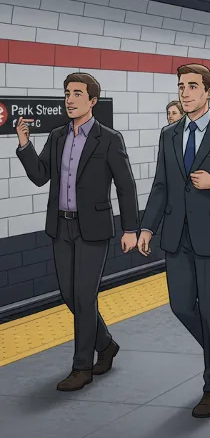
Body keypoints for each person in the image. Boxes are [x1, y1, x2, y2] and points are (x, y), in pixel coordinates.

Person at [137, 63, 210, 418]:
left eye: (192, 86)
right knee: (181, 306)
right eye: (181, 86)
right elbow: (161, 186)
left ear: (208, 91)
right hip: (176, 235)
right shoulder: (169, 134)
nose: (185, 92)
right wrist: (147, 228)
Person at [15, 72, 138, 392]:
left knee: (84, 296)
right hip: (61, 226)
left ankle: (81, 367)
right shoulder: (57, 136)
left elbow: (125, 186)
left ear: (92, 101)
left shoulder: (109, 139)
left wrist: (130, 229)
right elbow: (41, 177)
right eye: (67, 93)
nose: (69, 99)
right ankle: (106, 344)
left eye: (77, 94)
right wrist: (25, 144)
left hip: (93, 228)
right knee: (70, 296)